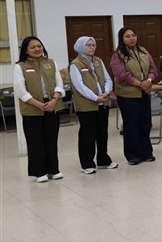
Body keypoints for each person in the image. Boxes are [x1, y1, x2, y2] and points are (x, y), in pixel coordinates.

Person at [14, 36, 65, 183]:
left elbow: (59, 83)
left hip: (52, 105)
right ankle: (39, 172)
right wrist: (39, 104)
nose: (37, 49)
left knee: (51, 139)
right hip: (32, 108)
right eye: (33, 47)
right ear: (26, 50)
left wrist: (54, 100)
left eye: (39, 46)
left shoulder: (51, 63)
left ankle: (53, 170)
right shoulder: (20, 66)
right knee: (35, 141)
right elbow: (20, 90)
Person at [110, 27, 158, 166]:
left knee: (145, 123)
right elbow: (121, 75)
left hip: (144, 92)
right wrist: (139, 83)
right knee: (131, 125)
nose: (132, 38)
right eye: (128, 36)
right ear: (122, 39)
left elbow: (153, 69)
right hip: (127, 95)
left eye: (133, 35)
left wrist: (148, 80)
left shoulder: (143, 51)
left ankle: (147, 152)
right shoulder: (117, 55)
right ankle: (133, 155)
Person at [69, 36, 116, 174]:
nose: (92, 47)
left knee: (102, 133)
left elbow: (107, 78)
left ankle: (103, 160)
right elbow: (80, 86)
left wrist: (106, 92)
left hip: (103, 103)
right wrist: (96, 98)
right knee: (87, 135)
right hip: (87, 105)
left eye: (93, 45)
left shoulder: (98, 61)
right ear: (80, 47)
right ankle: (87, 163)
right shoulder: (75, 64)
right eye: (88, 45)